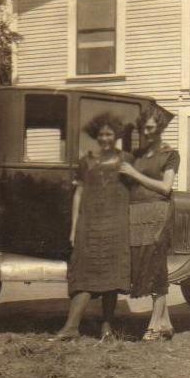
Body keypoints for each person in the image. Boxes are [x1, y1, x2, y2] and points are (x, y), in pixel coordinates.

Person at [52, 112, 132, 341]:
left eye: (110, 134)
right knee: (84, 273)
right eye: (101, 134)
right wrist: (74, 228)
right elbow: (78, 193)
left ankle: (106, 328)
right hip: (89, 224)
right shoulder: (86, 160)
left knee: (112, 276)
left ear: (116, 135)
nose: (105, 138)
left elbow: (134, 190)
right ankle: (71, 327)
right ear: (95, 136)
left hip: (116, 225)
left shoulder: (126, 160)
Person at [119, 104, 180, 341]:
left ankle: (154, 326)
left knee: (156, 267)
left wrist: (134, 174)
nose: (148, 133)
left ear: (161, 128)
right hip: (136, 214)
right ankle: (166, 323)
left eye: (152, 128)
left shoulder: (170, 154)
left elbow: (166, 188)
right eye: (145, 128)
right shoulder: (137, 155)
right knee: (142, 265)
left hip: (158, 212)